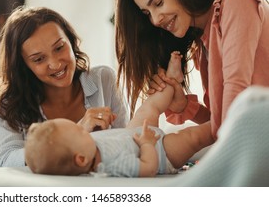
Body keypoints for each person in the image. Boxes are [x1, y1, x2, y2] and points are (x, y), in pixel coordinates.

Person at [114, 0, 269, 139]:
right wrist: (184, 106)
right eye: (147, 13)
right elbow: (222, 126)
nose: (155, 20)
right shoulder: (202, 44)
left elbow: (236, 93)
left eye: (158, 3)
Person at [0, 6, 130, 167]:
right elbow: (5, 160)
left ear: (71, 41)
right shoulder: (6, 102)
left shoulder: (104, 79)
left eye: (59, 48)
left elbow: (127, 142)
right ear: (23, 65)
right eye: (38, 59)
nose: (55, 64)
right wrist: (74, 134)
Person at [25, 51, 214, 176]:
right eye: (81, 132)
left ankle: (173, 81)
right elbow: (147, 168)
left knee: (149, 107)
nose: (85, 131)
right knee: (192, 137)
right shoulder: (109, 166)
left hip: (133, 133)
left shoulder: (85, 148)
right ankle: (223, 124)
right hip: (160, 152)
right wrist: (148, 144)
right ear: (81, 159)